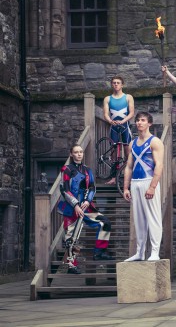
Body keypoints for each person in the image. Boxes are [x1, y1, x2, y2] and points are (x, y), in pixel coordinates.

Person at [58, 145, 113, 274]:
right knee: (71, 237)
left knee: (105, 223)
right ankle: (71, 266)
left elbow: (92, 187)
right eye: (76, 152)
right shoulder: (66, 169)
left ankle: (99, 252)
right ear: (71, 154)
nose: (79, 154)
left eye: (81, 152)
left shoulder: (88, 170)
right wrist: (76, 205)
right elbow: (64, 189)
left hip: (86, 207)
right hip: (71, 208)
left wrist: (88, 201)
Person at [123, 112, 165, 262]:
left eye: (143, 120)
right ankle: (140, 252)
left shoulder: (155, 142)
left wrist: (153, 186)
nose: (139, 123)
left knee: (153, 217)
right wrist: (126, 187)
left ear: (149, 124)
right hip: (135, 182)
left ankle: (154, 251)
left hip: (148, 181)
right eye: (138, 120)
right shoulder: (132, 144)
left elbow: (159, 166)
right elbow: (129, 166)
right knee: (139, 219)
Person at [102, 76, 135, 184]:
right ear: (112, 84)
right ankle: (114, 177)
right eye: (114, 83)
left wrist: (124, 120)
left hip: (124, 126)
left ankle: (127, 176)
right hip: (114, 127)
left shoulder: (128, 97)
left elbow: (131, 113)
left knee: (127, 151)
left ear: (122, 85)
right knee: (114, 153)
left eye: (118, 83)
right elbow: (106, 114)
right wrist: (110, 121)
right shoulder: (107, 98)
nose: (116, 84)